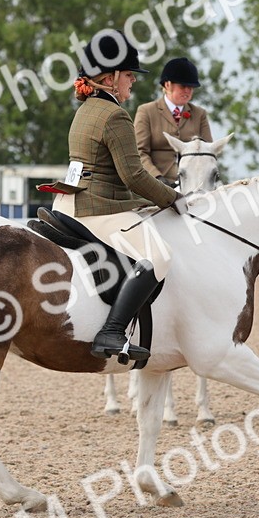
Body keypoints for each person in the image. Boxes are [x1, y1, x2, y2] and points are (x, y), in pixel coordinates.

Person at [52, 29, 186, 362]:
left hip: (70, 200)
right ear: (109, 78)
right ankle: (112, 331)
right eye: (128, 75)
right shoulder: (115, 115)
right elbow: (134, 175)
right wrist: (171, 198)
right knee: (159, 256)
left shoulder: (86, 109)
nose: (132, 82)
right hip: (96, 209)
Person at [133, 57, 213, 183]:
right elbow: (138, 152)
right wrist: (157, 178)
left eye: (191, 87)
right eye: (183, 86)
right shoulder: (146, 111)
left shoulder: (199, 114)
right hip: (154, 185)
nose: (187, 91)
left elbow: (208, 152)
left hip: (192, 185)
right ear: (167, 84)